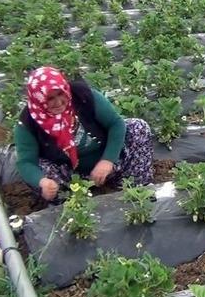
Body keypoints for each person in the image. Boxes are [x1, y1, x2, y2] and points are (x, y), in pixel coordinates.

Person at [14, 66, 154, 202]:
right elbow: (26, 162)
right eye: (50, 98)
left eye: (60, 93)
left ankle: (133, 187)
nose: (58, 102)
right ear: (38, 99)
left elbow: (116, 124)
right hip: (70, 177)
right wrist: (43, 182)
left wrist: (108, 160)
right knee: (40, 171)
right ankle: (73, 202)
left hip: (109, 164)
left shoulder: (83, 96)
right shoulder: (29, 121)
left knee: (138, 127)